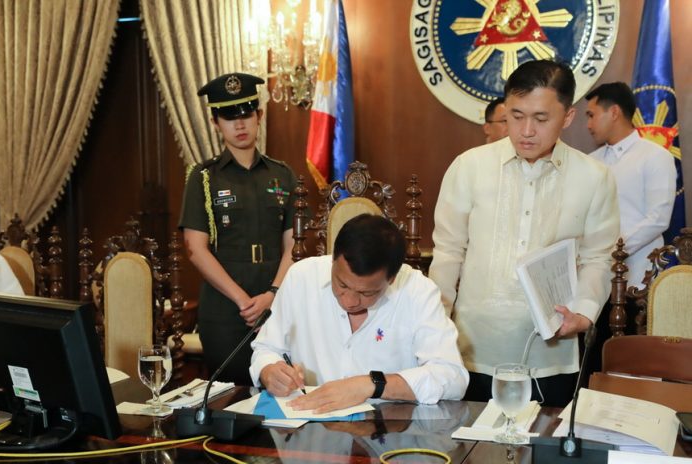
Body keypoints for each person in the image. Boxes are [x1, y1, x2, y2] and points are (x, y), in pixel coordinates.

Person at [429, 60, 619, 407]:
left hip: (551, 355)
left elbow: (597, 258)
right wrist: (435, 325)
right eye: (516, 116)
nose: (526, 130)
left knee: (544, 453)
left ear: (568, 117)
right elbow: (448, 251)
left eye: (541, 118)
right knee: (473, 454)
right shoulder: (469, 167)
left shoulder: (594, 177)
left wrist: (585, 311)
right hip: (472, 348)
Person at [250, 214, 468, 413]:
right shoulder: (301, 277)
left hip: (389, 437)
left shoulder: (417, 291)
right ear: (333, 259)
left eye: (367, 293)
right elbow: (266, 348)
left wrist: (371, 385)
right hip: (310, 432)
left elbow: (452, 378)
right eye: (342, 285)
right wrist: (269, 371)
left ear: (391, 279)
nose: (350, 301)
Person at [179, 72, 297, 384]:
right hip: (225, 311)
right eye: (229, 117)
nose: (240, 124)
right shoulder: (203, 177)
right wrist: (245, 302)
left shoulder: (283, 175)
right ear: (216, 122)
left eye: (246, 114)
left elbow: (294, 245)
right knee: (230, 396)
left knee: (282, 392)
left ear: (259, 116)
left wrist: (272, 295)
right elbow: (195, 249)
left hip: (278, 304)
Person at [586, 82, 676, 289]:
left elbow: (658, 218)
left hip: (638, 275)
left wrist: (613, 251)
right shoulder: (590, 160)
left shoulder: (655, 156)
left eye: (592, 115)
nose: (588, 125)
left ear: (614, 112)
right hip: (593, 278)